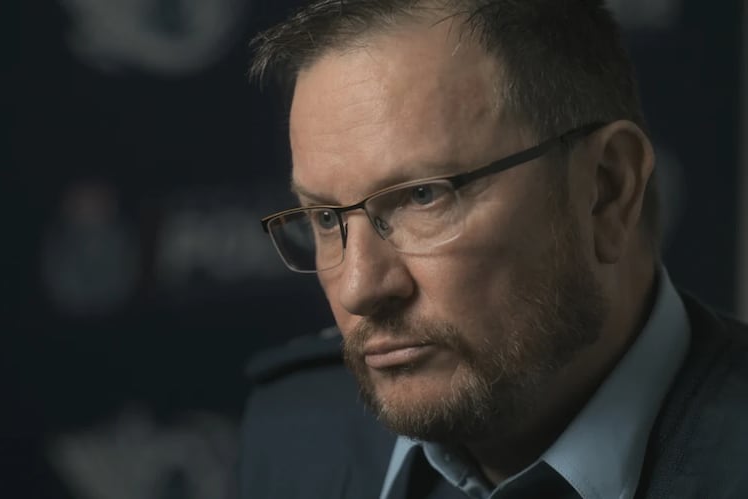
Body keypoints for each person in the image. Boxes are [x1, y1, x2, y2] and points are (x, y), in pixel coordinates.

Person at [238, 1, 748, 498]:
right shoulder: (293, 433)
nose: (359, 288)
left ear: (605, 189)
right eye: (326, 218)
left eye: (424, 196)